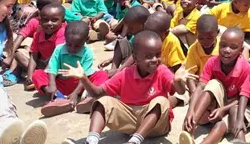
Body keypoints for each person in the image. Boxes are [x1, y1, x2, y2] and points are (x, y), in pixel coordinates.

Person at [60, 30, 191, 144]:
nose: (155, 59)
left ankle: (135, 141)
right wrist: (84, 78)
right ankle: (91, 141)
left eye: (157, 54)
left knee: (162, 101)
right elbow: (97, 93)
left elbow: (180, 90)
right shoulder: (125, 74)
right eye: (148, 56)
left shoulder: (161, 70)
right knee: (103, 101)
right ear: (135, 57)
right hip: (130, 121)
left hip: (156, 126)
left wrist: (178, 80)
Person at [0, 0, 48, 144]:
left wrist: (8, 57)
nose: (11, 11)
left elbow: (11, 46)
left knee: (7, 118)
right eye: (8, 6)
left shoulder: (1, 28)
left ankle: (15, 139)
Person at [181, 28, 250, 144]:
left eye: (233, 47)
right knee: (213, 84)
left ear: (241, 50)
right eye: (223, 45)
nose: (226, 50)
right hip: (216, 106)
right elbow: (200, 87)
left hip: (235, 109)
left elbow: (244, 99)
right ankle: (189, 130)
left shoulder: (246, 68)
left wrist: (223, 110)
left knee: (220, 126)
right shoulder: (212, 62)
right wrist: (190, 111)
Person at [33, 21, 109, 117]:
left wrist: (75, 93)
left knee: (102, 74)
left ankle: (89, 99)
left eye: (77, 46)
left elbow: (84, 75)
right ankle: (59, 98)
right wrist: (52, 85)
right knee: (37, 74)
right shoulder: (59, 49)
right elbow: (52, 68)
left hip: (81, 84)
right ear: (65, 38)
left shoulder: (88, 52)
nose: (72, 48)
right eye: (69, 44)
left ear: (87, 39)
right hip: (60, 84)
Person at [183, 14, 219, 94]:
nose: (205, 41)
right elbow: (190, 74)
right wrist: (194, 92)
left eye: (210, 38)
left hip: (217, 84)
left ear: (217, 33)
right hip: (200, 83)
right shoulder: (193, 49)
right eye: (201, 38)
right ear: (196, 34)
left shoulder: (222, 48)